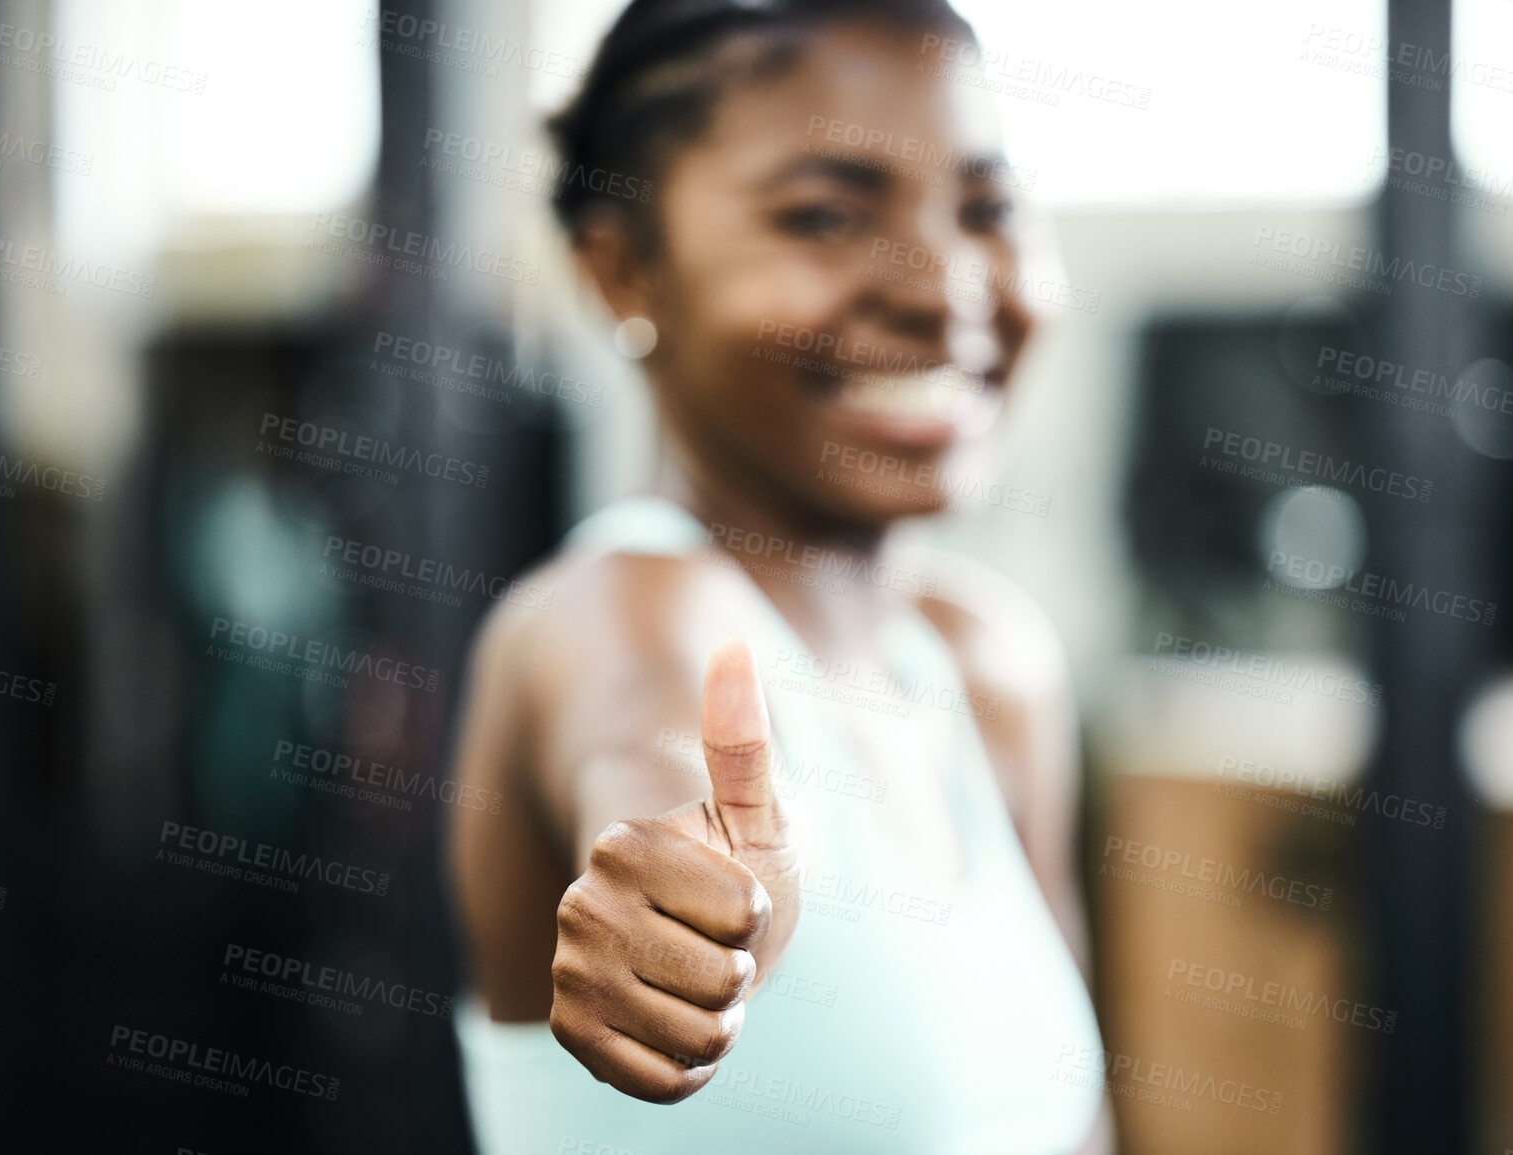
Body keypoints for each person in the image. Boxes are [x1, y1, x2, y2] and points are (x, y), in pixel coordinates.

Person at [447, 0, 1111, 1150]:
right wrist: (681, 896)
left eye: (989, 207)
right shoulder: (617, 609)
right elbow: (642, 737)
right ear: (620, 273)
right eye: (822, 216)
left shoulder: (989, 666)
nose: (942, 282)